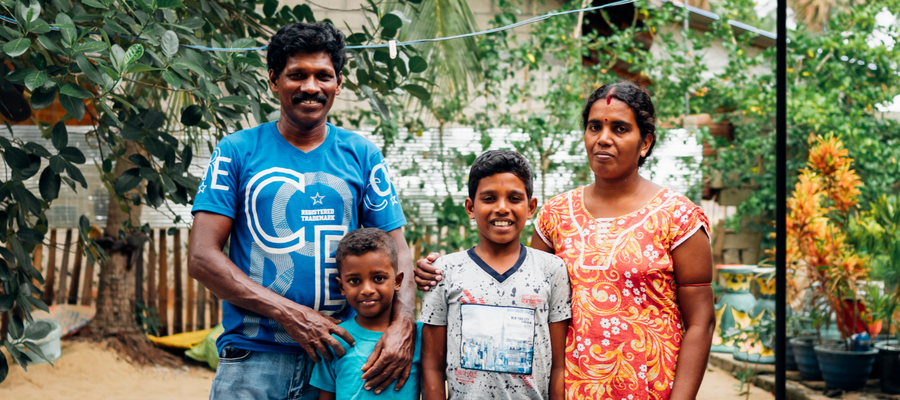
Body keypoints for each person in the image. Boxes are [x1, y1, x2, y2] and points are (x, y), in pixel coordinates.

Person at [416, 82, 716, 400]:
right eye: (594, 126)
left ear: (645, 142)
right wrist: (440, 268)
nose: (603, 138)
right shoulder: (556, 215)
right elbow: (519, 288)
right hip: (565, 392)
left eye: (620, 128)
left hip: (651, 390)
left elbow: (701, 322)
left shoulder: (678, 217)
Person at [189, 22, 417, 400]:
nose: (311, 87)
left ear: (338, 83)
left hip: (341, 358)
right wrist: (290, 314)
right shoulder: (236, 151)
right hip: (253, 360)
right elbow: (201, 257)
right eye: (297, 75)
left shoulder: (362, 155)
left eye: (323, 76)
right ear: (274, 80)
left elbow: (399, 251)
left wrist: (404, 322)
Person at [418, 150, 571, 400]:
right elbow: (432, 367)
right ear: (470, 207)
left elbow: (558, 366)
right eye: (489, 198)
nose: (502, 208)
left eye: (514, 198)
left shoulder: (551, 270)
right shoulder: (444, 271)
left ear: (531, 207)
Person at [309, 228, 423, 400]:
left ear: (397, 281)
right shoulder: (336, 339)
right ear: (342, 287)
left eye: (378, 278)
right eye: (354, 281)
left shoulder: (420, 336)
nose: (367, 290)